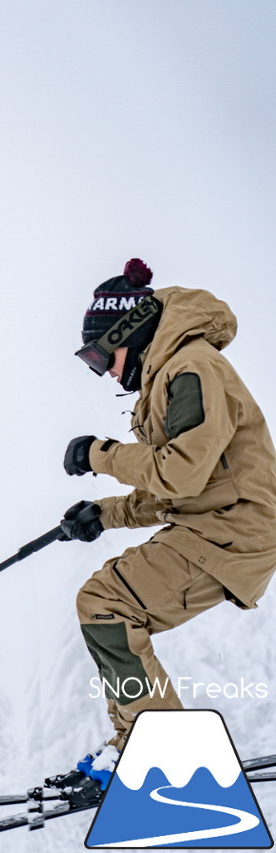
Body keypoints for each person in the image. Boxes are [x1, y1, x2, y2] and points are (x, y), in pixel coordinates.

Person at [57, 259, 276, 789]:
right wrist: (103, 514)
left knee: (108, 601)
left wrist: (100, 454)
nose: (104, 370)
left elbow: (178, 474)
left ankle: (159, 750)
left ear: (127, 333)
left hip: (233, 531)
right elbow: (177, 490)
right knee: (106, 603)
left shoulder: (191, 369)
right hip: (216, 525)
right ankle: (146, 742)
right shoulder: (170, 378)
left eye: (99, 356)